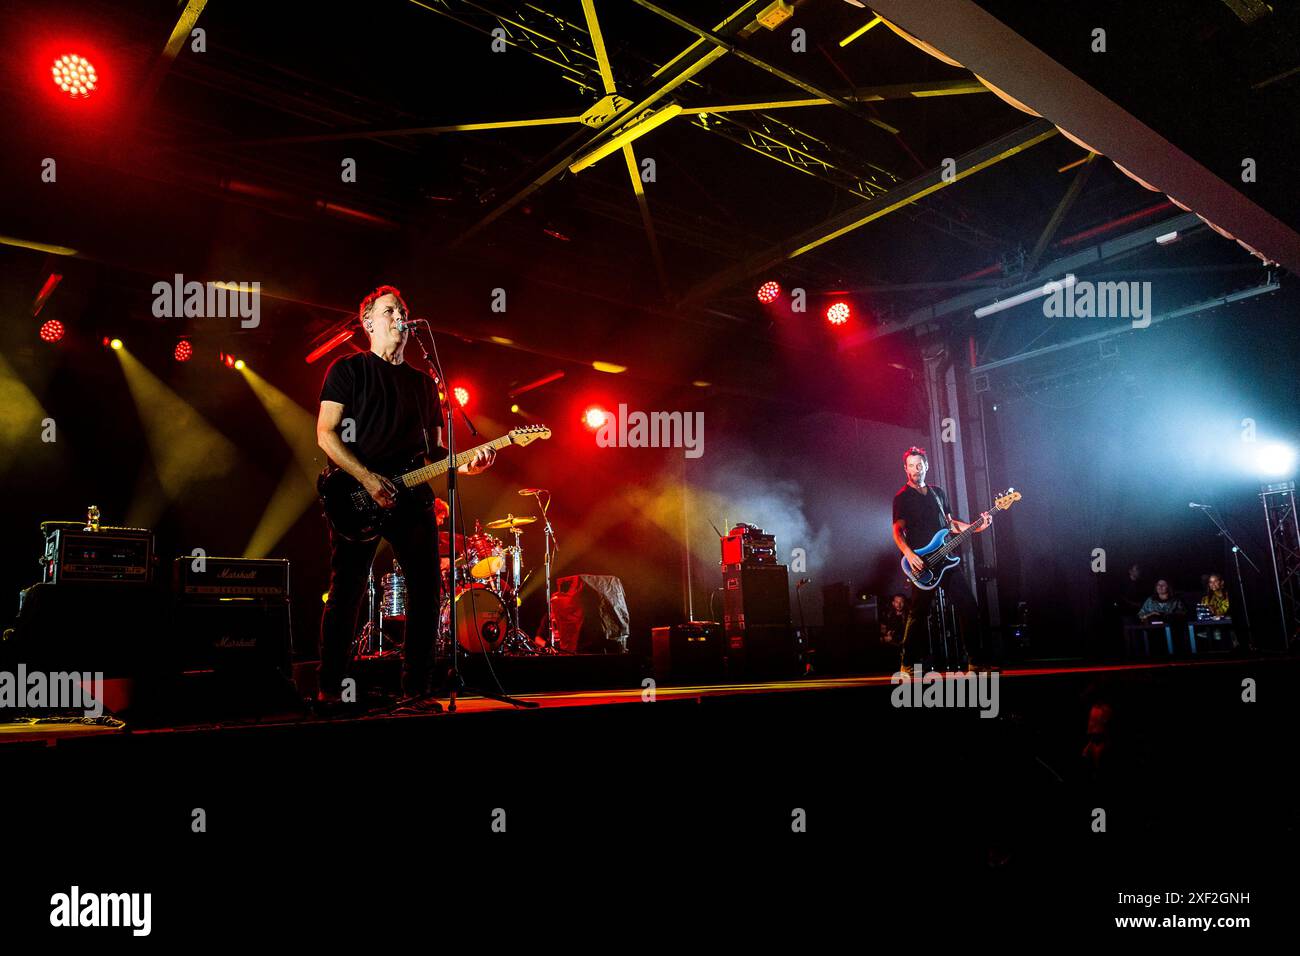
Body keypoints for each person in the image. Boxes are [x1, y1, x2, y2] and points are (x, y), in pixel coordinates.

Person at [315, 285, 495, 707]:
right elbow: (325, 433)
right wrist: (367, 478)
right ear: (369, 322)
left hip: (412, 496)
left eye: (404, 312)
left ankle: (416, 688)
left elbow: (434, 452)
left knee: (428, 589)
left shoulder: (422, 384)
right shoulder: (348, 369)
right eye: (391, 310)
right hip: (355, 492)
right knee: (348, 588)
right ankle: (330, 688)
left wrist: (466, 464)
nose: (401, 318)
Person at [891, 446, 989, 674]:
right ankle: (907, 662)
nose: (916, 469)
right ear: (905, 469)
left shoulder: (938, 493)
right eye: (912, 466)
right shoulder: (902, 497)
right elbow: (897, 531)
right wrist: (909, 553)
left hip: (947, 560)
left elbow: (950, 525)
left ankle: (975, 662)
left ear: (926, 466)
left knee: (969, 607)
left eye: (920, 465)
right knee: (918, 613)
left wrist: (977, 526)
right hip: (922, 563)